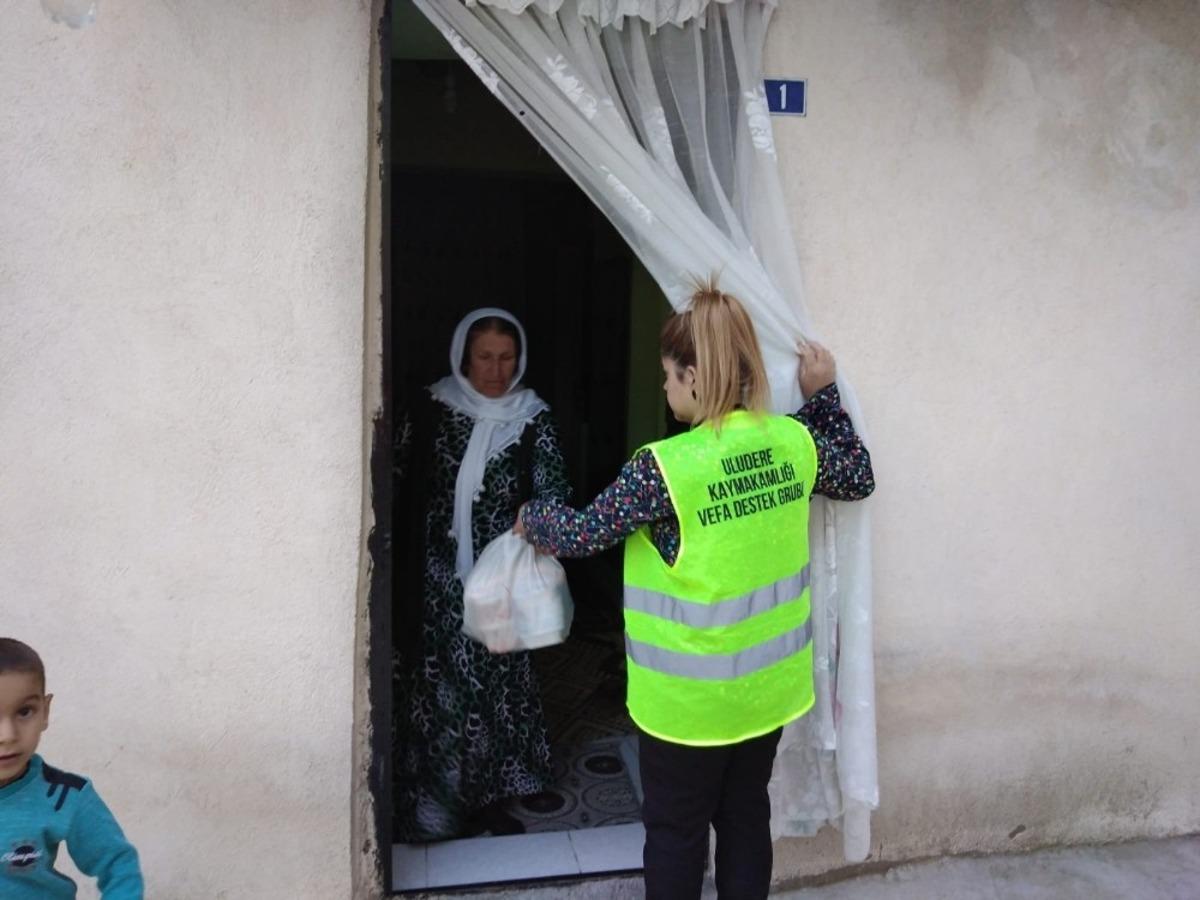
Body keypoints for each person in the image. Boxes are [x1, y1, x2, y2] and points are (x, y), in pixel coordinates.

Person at [516, 280, 875, 899]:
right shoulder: (792, 442)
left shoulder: (664, 469)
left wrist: (532, 517)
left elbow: (582, 533)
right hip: (766, 694)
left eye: (668, 375)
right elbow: (859, 475)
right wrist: (824, 397)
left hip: (687, 708)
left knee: (677, 834)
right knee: (743, 821)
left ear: (695, 377)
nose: (663, 387)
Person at [393, 307, 572, 842]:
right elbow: (397, 478)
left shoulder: (533, 417)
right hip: (434, 580)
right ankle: (434, 802)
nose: (496, 370)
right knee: (438, 692)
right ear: (463, 357)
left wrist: (534, 521)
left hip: (500, 582)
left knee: (496, 689)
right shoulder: (431, 408)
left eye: (506, 357)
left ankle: (487, 798)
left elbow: (554, 490)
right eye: (484, 357)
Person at [0, 638, 144, 899]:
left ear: (44, 711)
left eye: (24, 712)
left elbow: (118, 865)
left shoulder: (66, 795)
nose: (7, 735)